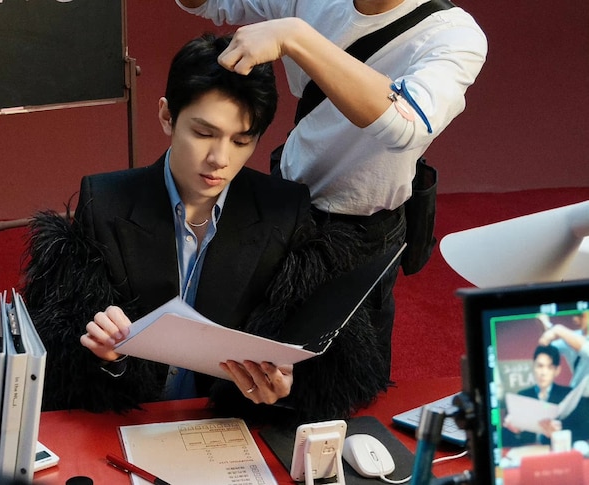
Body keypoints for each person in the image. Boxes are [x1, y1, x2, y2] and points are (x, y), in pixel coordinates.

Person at [23, 33, 388, 426]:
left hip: (228, 426)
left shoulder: (284, 211)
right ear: (167, 116)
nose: (220, 159)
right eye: (203, 133)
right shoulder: (105, 201)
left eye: (242, 140)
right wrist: (110, 358)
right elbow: (63, 372)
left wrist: (285, 391)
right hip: (136, 422)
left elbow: (314, 365)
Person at [175, 0, 488, 377]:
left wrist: (295, 36)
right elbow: (210, 4)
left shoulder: (454, 34)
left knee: (349, 382)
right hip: (285, 205)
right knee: (256, 366)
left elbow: (406, 125)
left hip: (365, 228)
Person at [502, 345, 571, 447]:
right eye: (540, 366)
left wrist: (558, 435)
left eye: (550, 367)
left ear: (557, 370)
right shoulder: (520, 398)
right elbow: (504, 441)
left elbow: (579, 433)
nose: (543, 372)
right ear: (533, 366)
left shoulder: (567, 396)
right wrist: (515, 432)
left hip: (557, 456)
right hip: (529, 455)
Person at [539, 311, 589, 388]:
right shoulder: (571, 336)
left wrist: (557, 329)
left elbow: (586, 350)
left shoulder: (566, 334)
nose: (575, 319)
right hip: (576, 390)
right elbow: (548, 349)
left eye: (580, 315)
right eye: (574, 314)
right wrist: (545, 329)